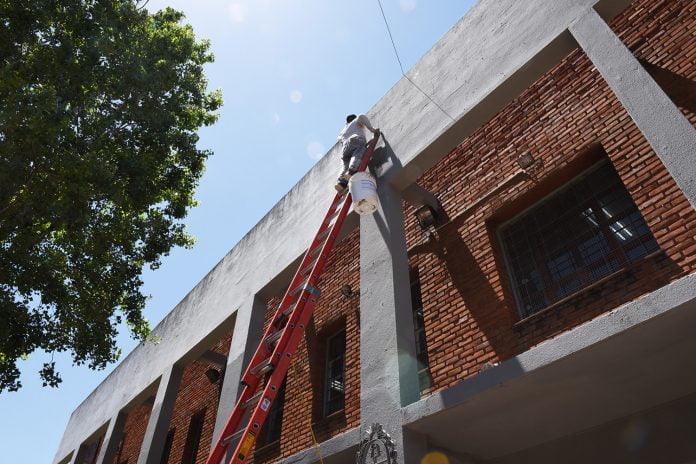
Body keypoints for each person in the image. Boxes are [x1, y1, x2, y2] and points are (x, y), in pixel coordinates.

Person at [335, 114, 379, 193]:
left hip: (345, 148)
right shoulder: (355, 121)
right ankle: (351, 171)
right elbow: (361, 116)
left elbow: (340, 140)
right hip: (355, 139)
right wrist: (373, 130)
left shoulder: (342, 132)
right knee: (358, 153)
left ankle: (341, 182)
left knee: (345, 165)